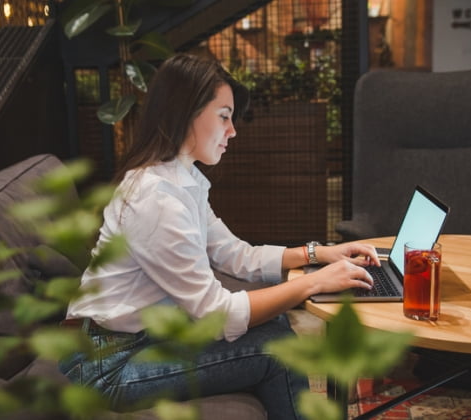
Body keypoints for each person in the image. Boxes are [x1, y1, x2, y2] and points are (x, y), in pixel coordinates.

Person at [58, 53, 379, 419]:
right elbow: (215, 314)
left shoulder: (182, 180)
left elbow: (235, 254)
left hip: (137, 340)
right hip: (103, 363)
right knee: (276, 348)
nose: (233, 131)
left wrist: (318, 253)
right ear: (186, 112)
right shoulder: (157, 197)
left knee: (271, 323)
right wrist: (311, 284)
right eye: (224, 116)